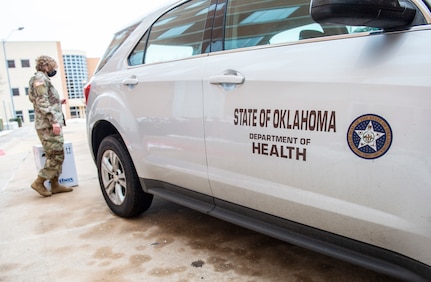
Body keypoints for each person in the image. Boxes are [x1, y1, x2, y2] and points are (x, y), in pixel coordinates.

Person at [28, 55, 73, 197]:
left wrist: (58, 102)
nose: (54, 70)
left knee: (53, 154)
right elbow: (41, 102)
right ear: (46, 66)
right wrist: (53, 121)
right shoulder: (40, 79)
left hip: (46, 123)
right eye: (53, 67)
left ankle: (55, 185)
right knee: (56, 155)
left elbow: (40, 100)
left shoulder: (41, 79)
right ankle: (39, 182)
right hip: (47, 125)